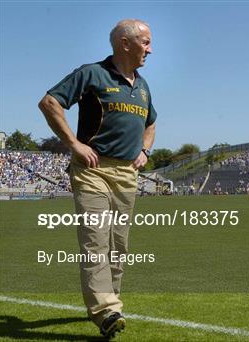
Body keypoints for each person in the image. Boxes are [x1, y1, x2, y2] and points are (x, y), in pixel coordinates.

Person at [38, 19, 156, 339]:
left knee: (119, 245)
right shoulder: (92, 73)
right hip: (92, 171)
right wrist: (74, 144)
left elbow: (151, 124)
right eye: (145, 42)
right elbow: (50, 103)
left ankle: (111, 305)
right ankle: (105, 310)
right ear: (124, 43)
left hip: (126, 174)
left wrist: (144, 151)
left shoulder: (142, 86)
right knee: (96, 240)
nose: (150, 49)